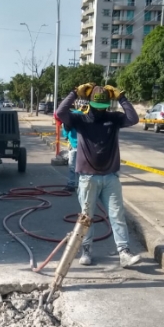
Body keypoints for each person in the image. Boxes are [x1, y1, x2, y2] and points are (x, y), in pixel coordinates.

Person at [55, 83, 141, 267]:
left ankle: (124, 252)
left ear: (108, 105)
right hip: (88, 177)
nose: (100, 110)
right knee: (87, 217)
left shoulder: (114, 118)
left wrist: (122, 98)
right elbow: (60, 113)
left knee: (117, 215)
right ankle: (86, 250)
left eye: (103, 107)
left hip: (110, 177)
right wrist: (74, 93)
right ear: (90, 103)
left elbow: (133, 119)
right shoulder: (80, 119)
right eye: (97, 106)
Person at [56, 99, 88, 193]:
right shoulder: (82, 115)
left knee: (72, 166)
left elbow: (66, 133)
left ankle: (71, 184)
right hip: (84, 146)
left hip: (74, 145)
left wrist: (67, 139)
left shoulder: (68, 118)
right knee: (82, 167)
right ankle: (81, 185)